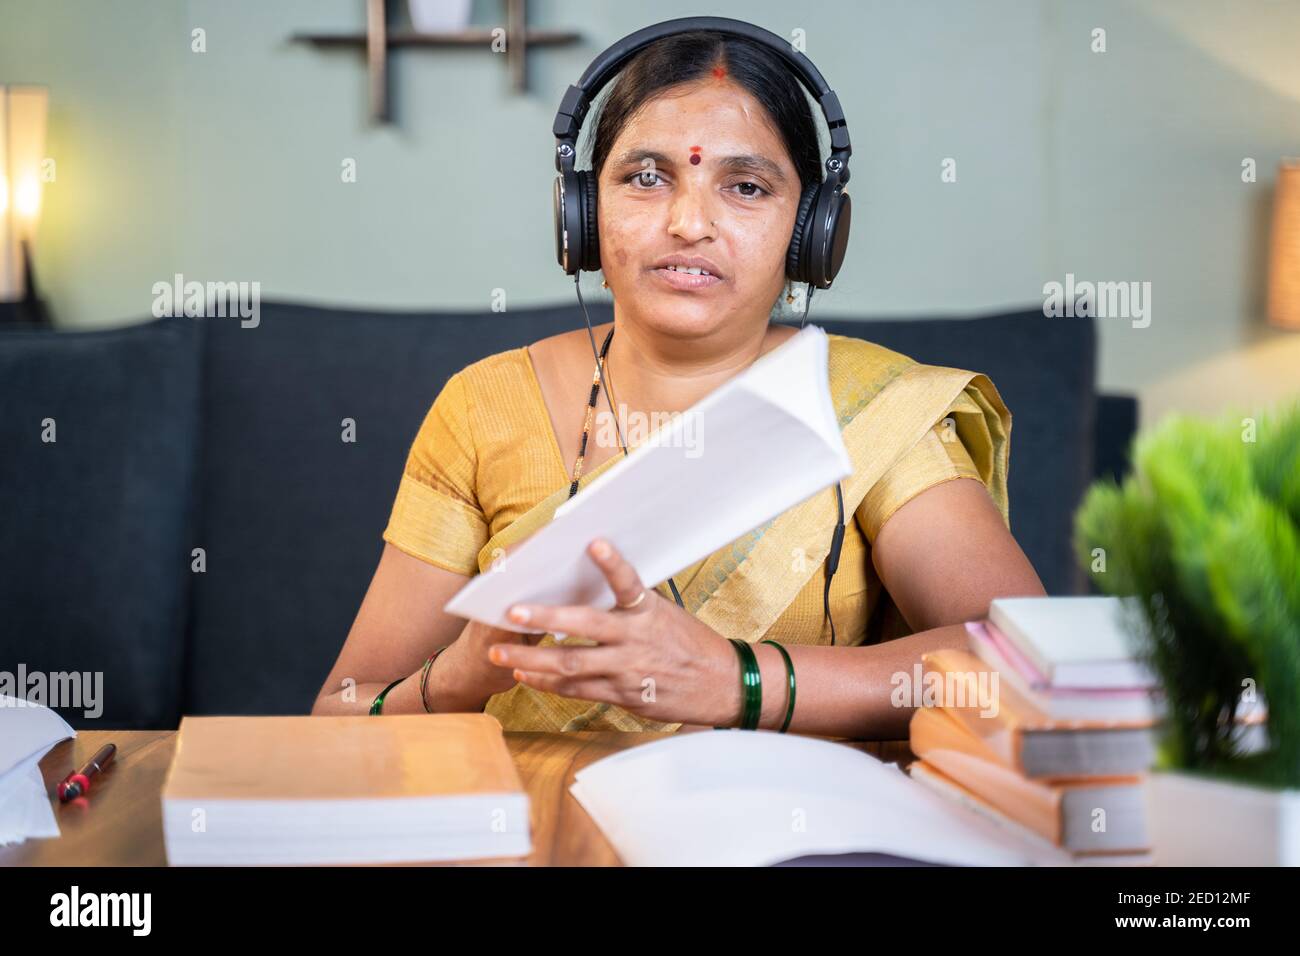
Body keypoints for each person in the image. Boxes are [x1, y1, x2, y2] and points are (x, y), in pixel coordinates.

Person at [312, 28, 1044, 737]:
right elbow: (339, 717)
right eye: (646, 176)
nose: (690, 222)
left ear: (811, 234)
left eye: (747, 186)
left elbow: (1021, 664)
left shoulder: (870, 409)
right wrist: (464, 674)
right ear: (583, 214)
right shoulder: (483, 406)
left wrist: (739, 680)